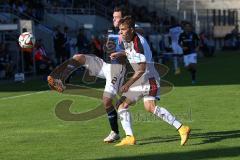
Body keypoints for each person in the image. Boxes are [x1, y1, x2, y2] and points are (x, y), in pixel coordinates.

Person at [48, 6, 129, 143]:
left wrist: (120, 51)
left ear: (123, 19)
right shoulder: (111, 31)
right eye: (113, 16)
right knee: (78, 57)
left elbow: (134, 52)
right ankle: (61, 80)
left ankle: (115, 132)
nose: (113, 19)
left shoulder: (128, 32)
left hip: (118, 69)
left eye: (116, 17)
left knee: (106, 101)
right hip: (106, 65)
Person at [110, 16, 191, 146]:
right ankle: (130, 137)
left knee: (148, 107)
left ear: (131, 29)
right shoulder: (127, 38)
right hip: (142, 79)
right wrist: (121, 54)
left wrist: (127, 84)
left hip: (148, 78)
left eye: (123, 29)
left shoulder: (139, 44)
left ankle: (182, 128)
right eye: (120, 29)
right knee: (123, 105)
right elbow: (130, 52)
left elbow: (141, 69)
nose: (120, 32)